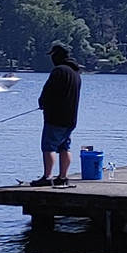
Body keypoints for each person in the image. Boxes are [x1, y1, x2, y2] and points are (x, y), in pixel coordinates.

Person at [34, 43, 82, 185]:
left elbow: (49, 91)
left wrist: (42, 103)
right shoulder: (76, 73)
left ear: (57, 56)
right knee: (64, 147)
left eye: (53, 55)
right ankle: (62, 177)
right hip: (71, 118)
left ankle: (47, 177)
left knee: (48, 146)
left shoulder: (59, 71)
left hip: (56, 117)